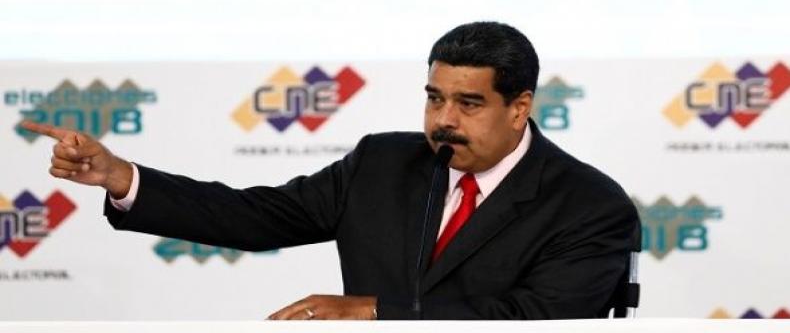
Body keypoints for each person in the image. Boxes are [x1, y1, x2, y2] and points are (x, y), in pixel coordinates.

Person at [23, 21, 639, 320]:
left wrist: (373, 310)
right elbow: (255, 218)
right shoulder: (385, 163)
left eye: (468, 104)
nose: (443, 120)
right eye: (434, 97)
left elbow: (539, 321)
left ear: (521, 107)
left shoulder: (588, 205)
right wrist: (121, 176)